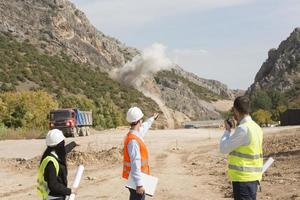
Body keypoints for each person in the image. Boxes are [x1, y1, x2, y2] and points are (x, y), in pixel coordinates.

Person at [220, 96, 263, 200]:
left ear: (236, 110)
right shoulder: (256, 127)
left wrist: (227, 131)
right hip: (253, 178)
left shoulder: (243, 129)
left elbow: (223, 148)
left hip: (243, 180)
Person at [122, 107, 159, 200]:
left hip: (135, 179)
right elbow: (135, 163)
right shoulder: (133, 141)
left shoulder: (134, 134)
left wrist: (152, 118)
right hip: (136, 182)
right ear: (139, 120)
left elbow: (144, 127)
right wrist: (139, 184)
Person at [37, 129, 77, 200]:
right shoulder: (51, 163)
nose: (64, 143)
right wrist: (69, 191)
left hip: (51, 196)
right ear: (59, 145)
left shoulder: (51, 154)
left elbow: (64, 150)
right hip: (54, 197)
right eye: (63, 142)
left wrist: (73, 144)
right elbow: (53, 185)